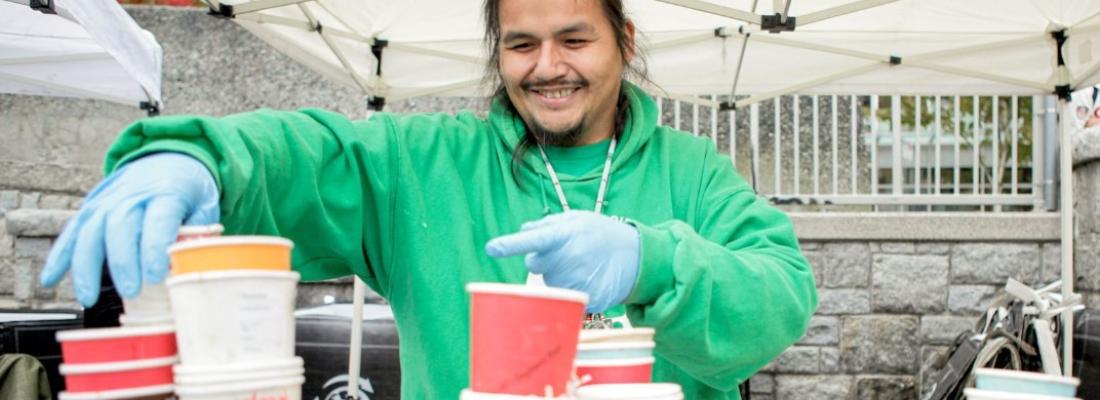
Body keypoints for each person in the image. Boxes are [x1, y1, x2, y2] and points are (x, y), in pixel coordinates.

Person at [39, 0, 818, 398]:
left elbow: (780, 297)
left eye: (575, 39)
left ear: (625, 43)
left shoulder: (694, 171)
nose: (548, 66)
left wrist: (653, 261)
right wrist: (199, 157)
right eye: (521, 44)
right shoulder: (425, 164)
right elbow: (312, 154)